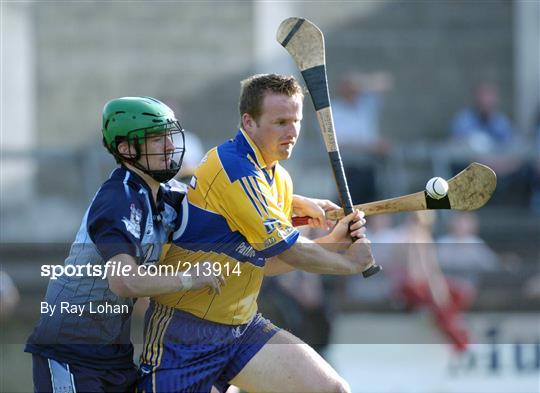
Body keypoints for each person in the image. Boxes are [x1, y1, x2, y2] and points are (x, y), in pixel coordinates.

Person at [138, 74, 375, 393]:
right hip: (185, 333)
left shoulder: (278, 179)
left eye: (296, 121)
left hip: (241, 330)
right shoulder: (235, 169)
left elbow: (266, 263)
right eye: (280, 122)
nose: (291, 132)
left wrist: (333, 243)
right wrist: (350, 263)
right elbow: (288, 251)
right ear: (248, 122)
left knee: (332, 390)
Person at [25, 97, 223, 392]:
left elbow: (227, 208)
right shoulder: (119, 199)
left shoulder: (163, 193)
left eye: (169, 135)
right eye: (157, 138)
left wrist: (295, 207)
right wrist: (191, 278)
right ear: (126, 149)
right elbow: (123, 281)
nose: (170, 145)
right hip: (69, 352)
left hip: (113, 355)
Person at [332, 71, 393, 202]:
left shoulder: (365, 105)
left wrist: (361, 84)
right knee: (350, 210)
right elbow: (339, 142)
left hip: (370, 166)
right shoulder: (334, 110)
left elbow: (385, 83)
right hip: (348, 169)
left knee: (376, 209)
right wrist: (372, 146)